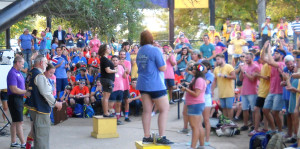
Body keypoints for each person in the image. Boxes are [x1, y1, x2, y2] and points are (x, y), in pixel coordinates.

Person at [136, 30, 173, 144]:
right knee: (164, 109)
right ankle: (161, 136)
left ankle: (146, 136)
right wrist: (164, 59)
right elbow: (162, 68)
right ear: (151, 38)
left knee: (147, 111)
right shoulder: (155, 50)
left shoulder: (140, 51)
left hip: (143, 84)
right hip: (155, 84)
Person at [26, 54, 62, 149]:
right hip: (40, 110)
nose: (47, 64)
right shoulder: (39, 75)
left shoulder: (31, 73)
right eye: (46, 62)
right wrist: (56, 103)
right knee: (42, 137)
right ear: (41, 63)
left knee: (38, 136)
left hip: (33, 108)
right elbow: (46, 93)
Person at [179, 63, 207, 149]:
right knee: (198, 126)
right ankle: (201, 145)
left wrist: (185, 89)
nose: (192, 70)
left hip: (195, 104)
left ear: (198, 71)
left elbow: (196, 94)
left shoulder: (199, 80)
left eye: (194, 69)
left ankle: (193, 146)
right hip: (195, 104)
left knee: (194, 127)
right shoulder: (196, 78)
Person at [262, 40, 286, 134]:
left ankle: (280, 131)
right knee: (265, 110)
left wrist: (269, 49)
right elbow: (263, 58)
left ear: (282, 56)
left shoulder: (282, 64)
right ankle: (273, 129)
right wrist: (264, 48)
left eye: (277, 53)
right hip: (272, 91)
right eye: (274, 53)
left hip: (279, 92)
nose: (274, 55)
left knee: (275, 112)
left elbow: (271, 62)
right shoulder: (274, 63)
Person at [249, 50, 271, 136]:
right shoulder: (263, 65)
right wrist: (258, 76)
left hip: (265, 91)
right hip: (262, 90)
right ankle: (264, 128)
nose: (260, 60)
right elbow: (262, 79)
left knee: (257, 109)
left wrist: (258, 75)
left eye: (261, 58)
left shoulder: (268, 66)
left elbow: (268, 78)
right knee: (263, 110)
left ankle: (256, 129)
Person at [7, 56, 27, 148]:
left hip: (18, 98)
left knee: (15, 122)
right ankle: (23, 143)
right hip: (14, 98)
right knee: (19, 122)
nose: (23, 66)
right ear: (17, 63)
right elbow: (14, 89)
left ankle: (13, 142)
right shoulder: (12, 73)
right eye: (22, 63)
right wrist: (26, 92)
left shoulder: (18, 72)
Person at [238, 52, 260, 131]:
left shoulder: (256, 67)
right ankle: (245, 124)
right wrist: (241, 71)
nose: (246, 59)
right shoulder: (245, 66)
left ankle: (254, 125)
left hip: (252, 91)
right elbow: (240, 79)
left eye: (248, 57)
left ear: (252, 58)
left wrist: (244, 72)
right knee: (244, 108)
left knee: (253, 109)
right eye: (245, 57)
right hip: (244, 91)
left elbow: (252, 79)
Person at [212, 54, 236, 119]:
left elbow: (234, 77)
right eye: (216, 60)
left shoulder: (229, 66)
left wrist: (225, 76)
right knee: (224, 108)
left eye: (218, 59)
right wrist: (212, 90)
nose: (217, 61)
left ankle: (230, 122)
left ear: (223, 59)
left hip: (229, 92)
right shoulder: (216, 69)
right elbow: (214, 81)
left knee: (229, 107)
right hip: (221, 92)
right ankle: (225, 122)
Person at [99, 44, 117, 117]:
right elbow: (108, 70)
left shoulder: (104, 59)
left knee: (105, 97)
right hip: (107, 79)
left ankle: (106, 112)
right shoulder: (104, 59)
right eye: (108, 48)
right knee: (106, 97)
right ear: (105, 50)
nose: (110, 49)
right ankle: (106, 113)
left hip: (106, 79)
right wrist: (115, 71)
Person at [108, 55, 126, 125]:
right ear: (111, 61)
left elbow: (124, 77)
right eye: (113, 60)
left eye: (116, 60)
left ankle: (117, 119)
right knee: (111, 104)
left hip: (121, 88)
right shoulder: (109, 68)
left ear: (118, 61)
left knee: (118, 104)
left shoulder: (121, 67)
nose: (115, 62)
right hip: (113, 89)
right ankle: (111, 119)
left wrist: (125, 71)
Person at [201, 60, 214, 146]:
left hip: (206, 96)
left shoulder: (210, 74)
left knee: (206, 120)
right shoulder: (198, 74)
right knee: (197, 120)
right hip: (198, 97)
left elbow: (205, 84)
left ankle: (207, 139)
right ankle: (198, 138)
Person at [119, 50, 132, 122]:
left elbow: (128, 72)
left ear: (125, 55)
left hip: (125, 84)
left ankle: (126, 116)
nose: (122, 55)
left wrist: (123, 65)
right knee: (118, 101)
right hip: (118, 84)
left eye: (123, 54)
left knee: (126, 100)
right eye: (121, 54)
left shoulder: (128, 62)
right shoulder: (116, 62)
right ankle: (118, 115)